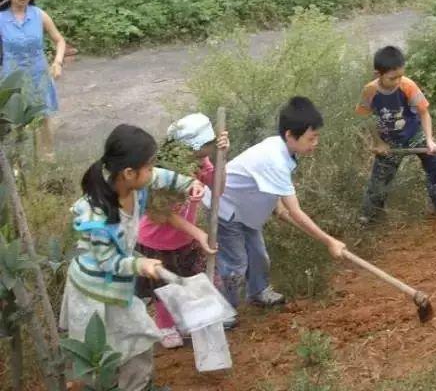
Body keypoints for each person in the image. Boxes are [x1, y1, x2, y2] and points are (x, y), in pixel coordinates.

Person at [59, 124, 211, 391]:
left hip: (118, 285)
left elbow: (162, 177)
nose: (152, 172)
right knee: (98, 360)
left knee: (139, 342)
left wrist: (190, 184)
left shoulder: (135, 186)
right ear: (129, 173)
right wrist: (139, 264)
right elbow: (108, 262)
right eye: (149, 167)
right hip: (94, 292)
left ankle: (137, 386)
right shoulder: (97, 216)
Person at [216, 97, 346, 325]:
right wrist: (329, 241)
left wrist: (278, 207)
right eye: (311, 138)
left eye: (316, 136)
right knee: (235, 265)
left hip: (246, 209)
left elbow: (262, 182)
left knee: (258, 256)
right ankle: (223, 310)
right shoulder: (275, 159)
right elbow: (296, 211)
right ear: (289, 135)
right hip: (227, 209)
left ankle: (258, 293)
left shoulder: (281, 148)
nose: (315, 142)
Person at [136, 113, 229, 348]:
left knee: (201, 278)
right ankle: (165, 326)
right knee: (165, 288)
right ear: (190, 147)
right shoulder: (162, 172)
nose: (208, 151)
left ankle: (199, 319)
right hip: (156, 240)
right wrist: (198, 233)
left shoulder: (201, 161)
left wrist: (221, 157)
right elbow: (163, 215)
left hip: (185, 237)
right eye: (206, 147)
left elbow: (218, 189)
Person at [356, 45, 436, 225]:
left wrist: (429, 140)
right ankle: (369, 217)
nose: (397, 81)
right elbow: (365, 118)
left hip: (414, 135)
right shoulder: (369, 91)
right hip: (390, 140)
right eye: (392, 78)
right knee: (380, 178)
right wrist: (379, 142)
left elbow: (424, 113)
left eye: (400, 76)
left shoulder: (407, 85)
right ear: (377, 75)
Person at [0, 0, 66, 160]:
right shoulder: (1, 19)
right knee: (15, 123)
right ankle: (17, 163)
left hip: (39, 76)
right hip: (12, 79)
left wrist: (57, 62)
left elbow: (59, 40)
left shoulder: (39, 15)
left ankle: (46, 162)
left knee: (44, 120)